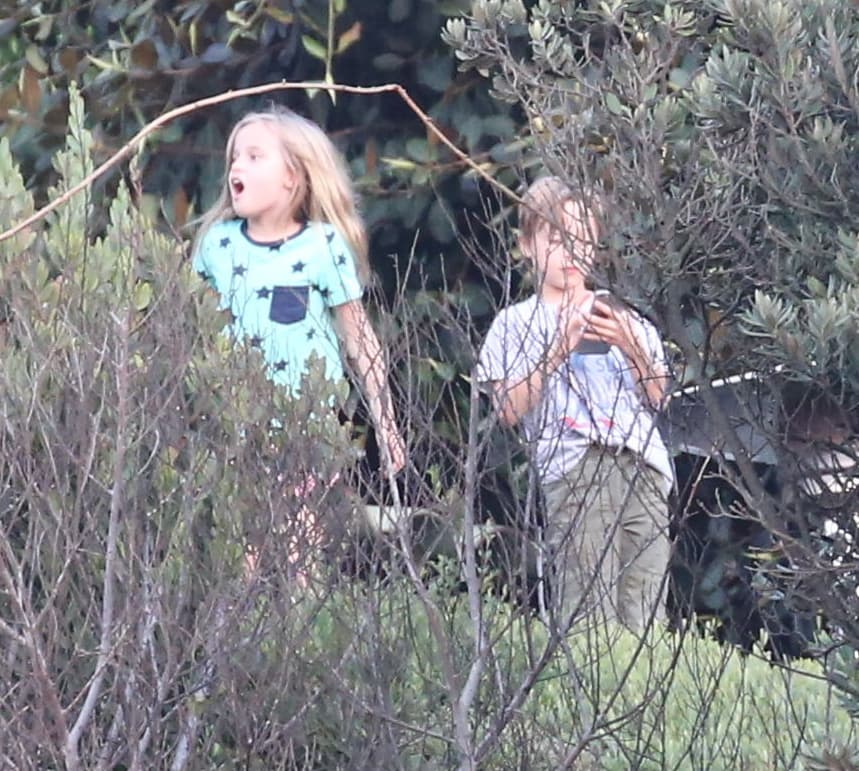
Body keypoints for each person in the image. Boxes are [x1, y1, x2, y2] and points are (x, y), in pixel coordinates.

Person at [192, 105, 405, 575]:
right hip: (232, 422)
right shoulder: (217, 245)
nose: (237, 167)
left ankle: (304, 640)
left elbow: (360, 340)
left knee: (296, 553)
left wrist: (386, 422)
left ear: (292, 177)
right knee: (242, 556)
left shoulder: (323, 246)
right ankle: (246, 645)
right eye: (234, 157)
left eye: (253, 156)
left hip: (306, 424)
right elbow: (187, 328)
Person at [477, 176, 674, 632]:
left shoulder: (624, 315)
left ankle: (645, 697)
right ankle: (590, 698)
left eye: (583, 238)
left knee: (646, 614)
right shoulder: (515, 323)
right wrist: (556, 351)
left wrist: (630, 344)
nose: (572, 251)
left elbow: (660, 398)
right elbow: (508, 410)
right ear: (528, 245)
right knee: (587, 612)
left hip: (643, 467)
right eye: (557, 238)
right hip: (575, 467)